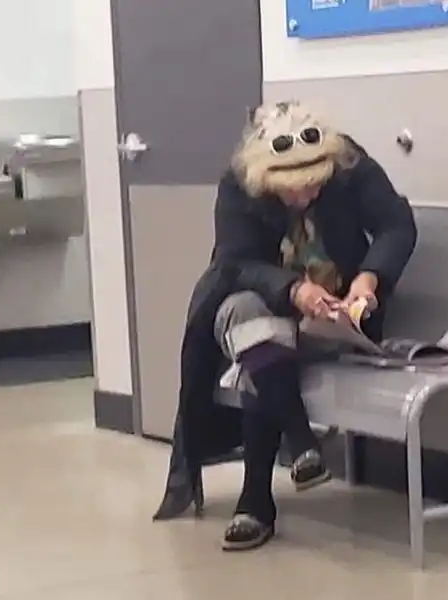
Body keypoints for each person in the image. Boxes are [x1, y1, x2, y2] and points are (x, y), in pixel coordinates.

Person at [153, 100, 418, 552]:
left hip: (336, 319)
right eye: (291, 191)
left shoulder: (348, 164)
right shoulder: (239, 184)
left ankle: (258, 499)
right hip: (266, 313)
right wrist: (293, 290)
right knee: (249, 318)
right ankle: (300, 443)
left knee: (261, 353)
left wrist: (369, 278)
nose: (304, 197)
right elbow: (234, 264)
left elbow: (396, 225)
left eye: (313, 185)